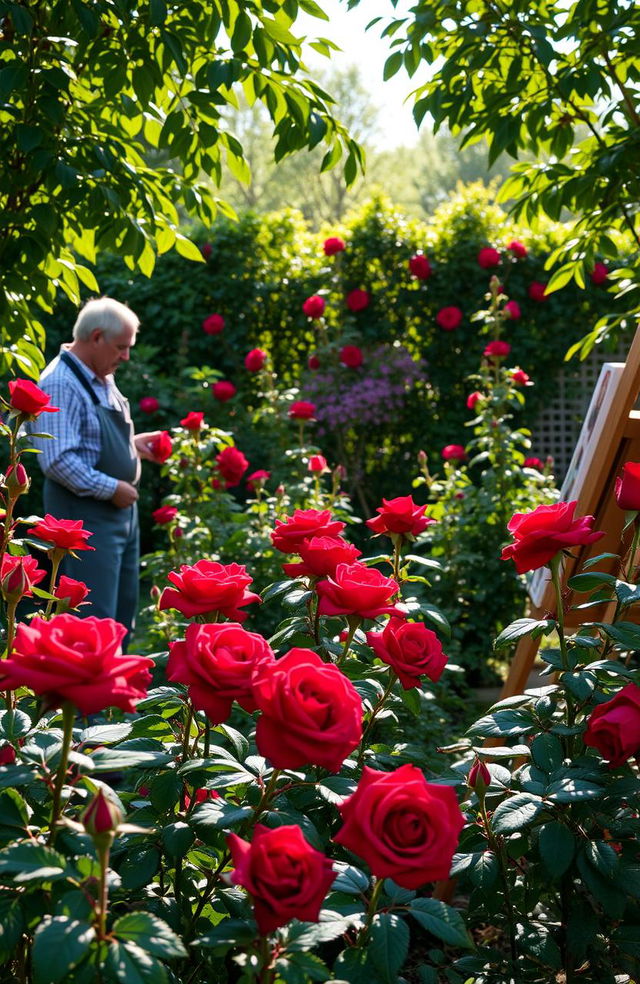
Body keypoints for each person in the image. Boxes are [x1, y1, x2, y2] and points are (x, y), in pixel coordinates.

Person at [29, 297, 164, 643]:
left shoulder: (99, 377)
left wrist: (135, 447)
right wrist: (112, 489)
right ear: (97, 337)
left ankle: (113, 694)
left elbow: (90, 442)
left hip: (118, 519)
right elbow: (57, 460)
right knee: (92, 623)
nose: (126, 356)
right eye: (121, 347)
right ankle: (86, 697)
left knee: (120, 617)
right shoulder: (60, 382)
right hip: (85, 520)